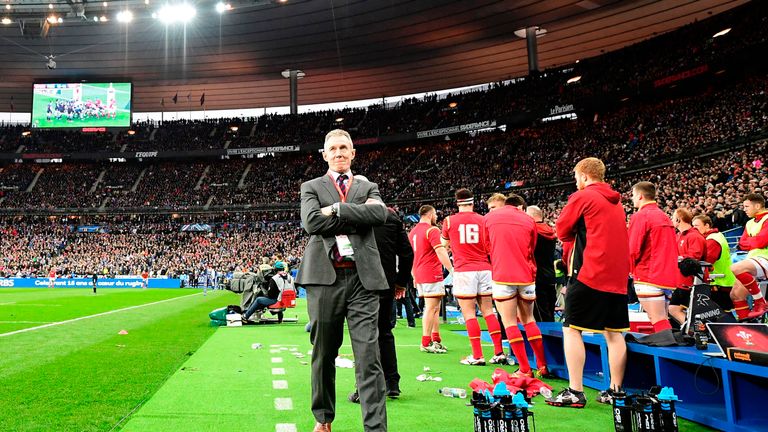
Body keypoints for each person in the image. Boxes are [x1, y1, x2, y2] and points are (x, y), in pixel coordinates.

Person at [296, 129, 389, 432]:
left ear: (353, 153)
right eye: (333, 148)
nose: (338, 153)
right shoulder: (311, 186)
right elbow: (311, 222)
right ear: (324, 155)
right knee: (324, 353)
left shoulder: (368, 186)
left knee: (369, 357)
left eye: (343, 148)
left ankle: (375, 428)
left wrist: (336, 209)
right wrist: (357, 214)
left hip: (363, 279)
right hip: (325, 279)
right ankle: (323, 419)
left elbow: (379, 216)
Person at [550, 158, 630, 408]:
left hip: (589, 272)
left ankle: (575, 390)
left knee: (571, 329)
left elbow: (562, 231)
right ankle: (616, 390)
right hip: (617, 277)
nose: (576, 182)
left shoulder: (583, 196)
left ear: (584, 176)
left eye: (576, 177)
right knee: (614, 333)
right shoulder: (617, 202)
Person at [349, 205, 413, 403]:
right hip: (385, 282)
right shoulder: (391, 217)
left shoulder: (353, 214)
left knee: (364, 335)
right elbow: (407, 253)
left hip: (360, 284)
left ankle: (365, 387)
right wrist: (400, 282)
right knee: (384, 332)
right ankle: (392, 382)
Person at [484, 193, 549, 377]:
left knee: (509, 322)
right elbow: (532, 246)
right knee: (529, 319)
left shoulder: (489, 218)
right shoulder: (528, 220)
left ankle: (525, 369)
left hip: (503, 274)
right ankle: (542, 365)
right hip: (526, 274)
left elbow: (487, 246)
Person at [441, 188, 506, 366]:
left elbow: (443, 246)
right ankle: (499, 352)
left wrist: (452, 263)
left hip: (464, 270)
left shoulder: (449, 221)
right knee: (488, 311)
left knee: (469, 313)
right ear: (473, 202)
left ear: (457, 203)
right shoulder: (484, 220)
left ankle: (477, 355)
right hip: (485, 268)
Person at [627, 182, 678, 333]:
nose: (632, 199)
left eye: (633, 195)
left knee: (657, 319)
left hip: (648, 274)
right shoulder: (664, 216)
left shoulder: (641, 216)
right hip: (666, 276)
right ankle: (669, 342)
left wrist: (627, 269)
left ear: (640, 196)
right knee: (662, 318)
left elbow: (632, 248)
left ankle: (668, 345)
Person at [409, 205, 453, 354]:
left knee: (434, 308)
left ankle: (436, 339)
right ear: (430, 214)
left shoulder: (413, 232)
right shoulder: (432, 230)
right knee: (430, 308)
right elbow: (440, 250)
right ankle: (426, 342)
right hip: (431, 272)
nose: (436, 217)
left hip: (419, 273)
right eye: (435, 214)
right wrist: (452, 270)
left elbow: (411, 255)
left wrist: (414, 275)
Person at [730, 193, 768, 320]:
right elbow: (742, 244)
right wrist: (754, 241)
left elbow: (761, 242)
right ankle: (748, 326)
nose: (744, 210)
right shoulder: (749, 223)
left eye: (747, 206)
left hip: (765, 258)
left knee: (736, 268)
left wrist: (752, 241)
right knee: (736, 295)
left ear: (757, 206)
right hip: (753, 260)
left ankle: (760, 301)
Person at [669, 208, 707, 325]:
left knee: (674, 309)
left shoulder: (694, 236)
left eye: (673, 218)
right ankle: (690, 328)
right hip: (681, 281)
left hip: (691, 282)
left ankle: (692, 329)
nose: (671, 220)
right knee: (673, 308)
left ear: (678, 219)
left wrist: (677, 259)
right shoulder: (679, 236)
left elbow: (693, 258)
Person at [692, 215, 737, 313]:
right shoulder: (716, 236)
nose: (694, 229)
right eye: (693, 226)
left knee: (721, 314)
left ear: (707, 225)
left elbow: (706, 262)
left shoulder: (712, 240)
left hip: (720, 283)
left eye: (696, 226)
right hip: (721, 281)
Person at [526, 205, 557, 323]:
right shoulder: (550, 231)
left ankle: (544, 335)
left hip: (537, 277)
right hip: (550, 276)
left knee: (540, 315)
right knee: (550, 312)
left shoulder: (533, 232)